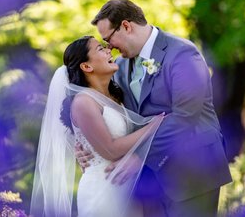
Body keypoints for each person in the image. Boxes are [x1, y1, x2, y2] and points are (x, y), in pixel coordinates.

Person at [76, 0, 233, 216]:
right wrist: (90, 146)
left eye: (109, 40)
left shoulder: (182, 54)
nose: (109, 48)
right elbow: (116, 113)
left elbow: (187, 116)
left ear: (126, 26)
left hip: (193, 170)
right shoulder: (119, 66)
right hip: (147, 182)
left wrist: (140, 155)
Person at [30, 36, 164, 217]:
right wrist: (154, 126)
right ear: (86, 66)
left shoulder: (116, 96)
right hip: (103, 191)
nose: (109, 50)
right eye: (100, 49)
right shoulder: (83, 102)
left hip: (129, 188)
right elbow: (110, 150)